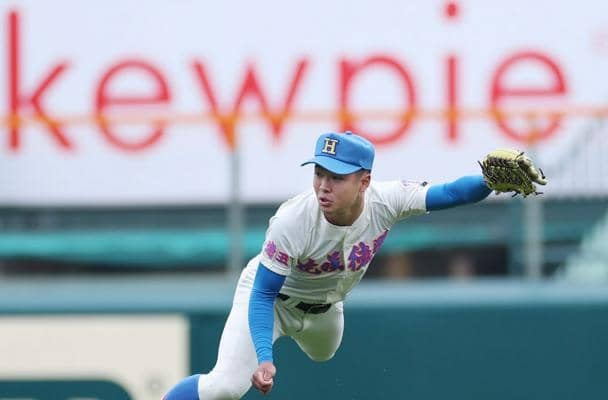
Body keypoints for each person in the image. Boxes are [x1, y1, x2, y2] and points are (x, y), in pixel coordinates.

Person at [162, 131, 499, 399]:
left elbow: (451, 193)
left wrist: (489, 182)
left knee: (324, 353)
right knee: (225, 387)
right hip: (273, 302)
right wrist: (264, 357)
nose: (323, 186)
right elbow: (263, 294)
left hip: (326, 310)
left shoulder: (386, 201)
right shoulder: (293, 220)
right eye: (319, 173)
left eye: (336, 177)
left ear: (364, 182)